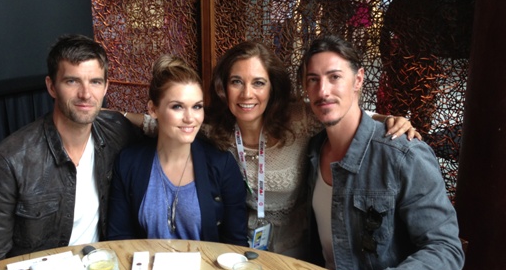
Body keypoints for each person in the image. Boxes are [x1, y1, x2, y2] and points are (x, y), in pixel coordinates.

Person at [126, 41, 418, 258]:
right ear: (223, 88)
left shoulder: (299, 121)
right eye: (236, 82)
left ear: (272, 88)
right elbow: (157, 123)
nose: (247, 94)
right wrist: (103, 115)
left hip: (297, 255)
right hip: (238, 251)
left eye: (258, 83)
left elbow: (343, 113)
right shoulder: (212, 128)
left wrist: (387, 119)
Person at [301, 35, 464, 270]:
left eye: (334, 77)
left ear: (358, 79)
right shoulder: (312, 151)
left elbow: (446, 249)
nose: (323, 90)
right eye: (313, 80)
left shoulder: (403, 155)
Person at [0, 35, 142, 266]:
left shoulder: (117, 133)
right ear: (51, 86)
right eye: (72, 81)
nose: (85, 94)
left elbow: (171, 126)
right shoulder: (10, 161)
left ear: (106, 87)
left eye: (95, 82)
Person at [107, 55, 248, 245]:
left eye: (197, 106)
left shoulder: (221, 165)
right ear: (153, 109)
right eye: (177, 107)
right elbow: (118, 239)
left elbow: (235, 245)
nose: (190, 118)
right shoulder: (129, 162)